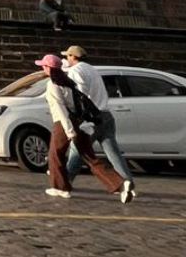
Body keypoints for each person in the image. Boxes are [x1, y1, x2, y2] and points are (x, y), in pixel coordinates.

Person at [38, 53, 125, 201]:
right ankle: (119, 184)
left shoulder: (52, 85)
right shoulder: (68, 82)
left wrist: (69, 131)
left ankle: (60, 188)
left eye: (44, 66)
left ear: (48, 68)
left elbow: (60, 110)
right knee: (89, 156)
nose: (43, 68)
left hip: (63, 124)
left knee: (55, 155)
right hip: (78, 121)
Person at [58, 45, 135, 201]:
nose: (66, 59)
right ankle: (127, 182)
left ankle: (64, 185)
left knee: (77, 150)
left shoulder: (75, 71)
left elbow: (80, 94)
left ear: (73, 57)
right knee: (113, 153)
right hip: (105, 114)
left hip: (91, 117)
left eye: (67, 56)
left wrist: (79, 115)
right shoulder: (93, 70)